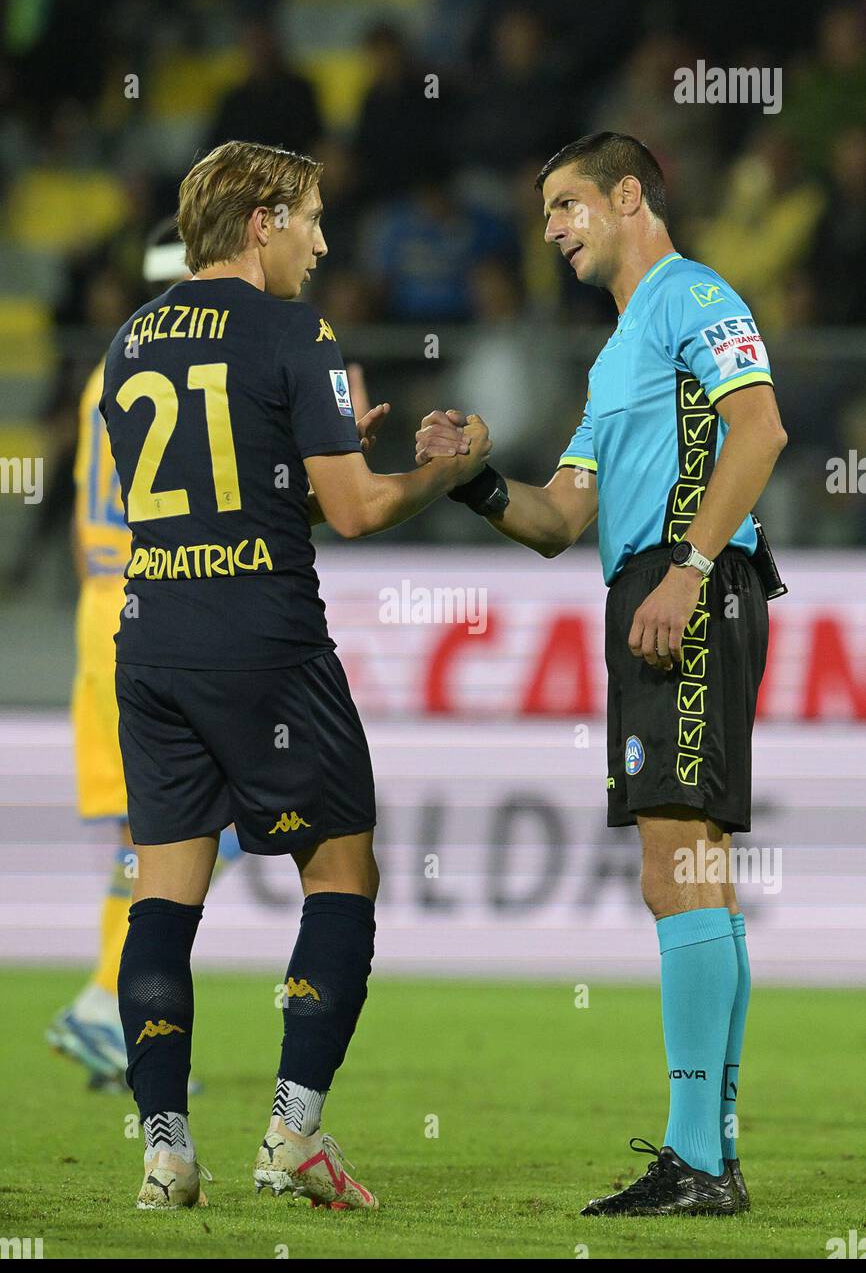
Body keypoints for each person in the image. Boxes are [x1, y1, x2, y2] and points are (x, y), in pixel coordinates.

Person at [99, 140, 489, 1210]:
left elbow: (229, 492)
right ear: (262, 217)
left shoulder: (131, 340)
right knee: (341, 870)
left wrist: (316, 457)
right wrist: (438, 471)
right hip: (264, 641)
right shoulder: (292, 329)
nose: (321, 242)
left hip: (154, 640)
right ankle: (291, 1137)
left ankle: (166, 1153)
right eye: (311, 218)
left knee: (164, 897)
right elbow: (357, 513)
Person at [416, 132, 787, 1216]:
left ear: (628, 195)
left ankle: (694, 1159)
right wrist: (468, 477)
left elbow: (757, 431)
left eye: (566, 205)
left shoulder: (690, 295)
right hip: (650, 591)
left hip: (686, 591)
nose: (551, 230)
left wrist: (687, 568)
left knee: (676, 859)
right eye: (542, 216)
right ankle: (708, 1153)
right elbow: (557, 517)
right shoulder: (619, 351)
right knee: (690, 866)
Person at [47, 221, 241, 1092]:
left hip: (99, 614)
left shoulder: (112, 365)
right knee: (180, 831)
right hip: (151, 611)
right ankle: (104, 1003)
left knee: (149, 834)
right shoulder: (178, 371)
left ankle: (123, 1019)